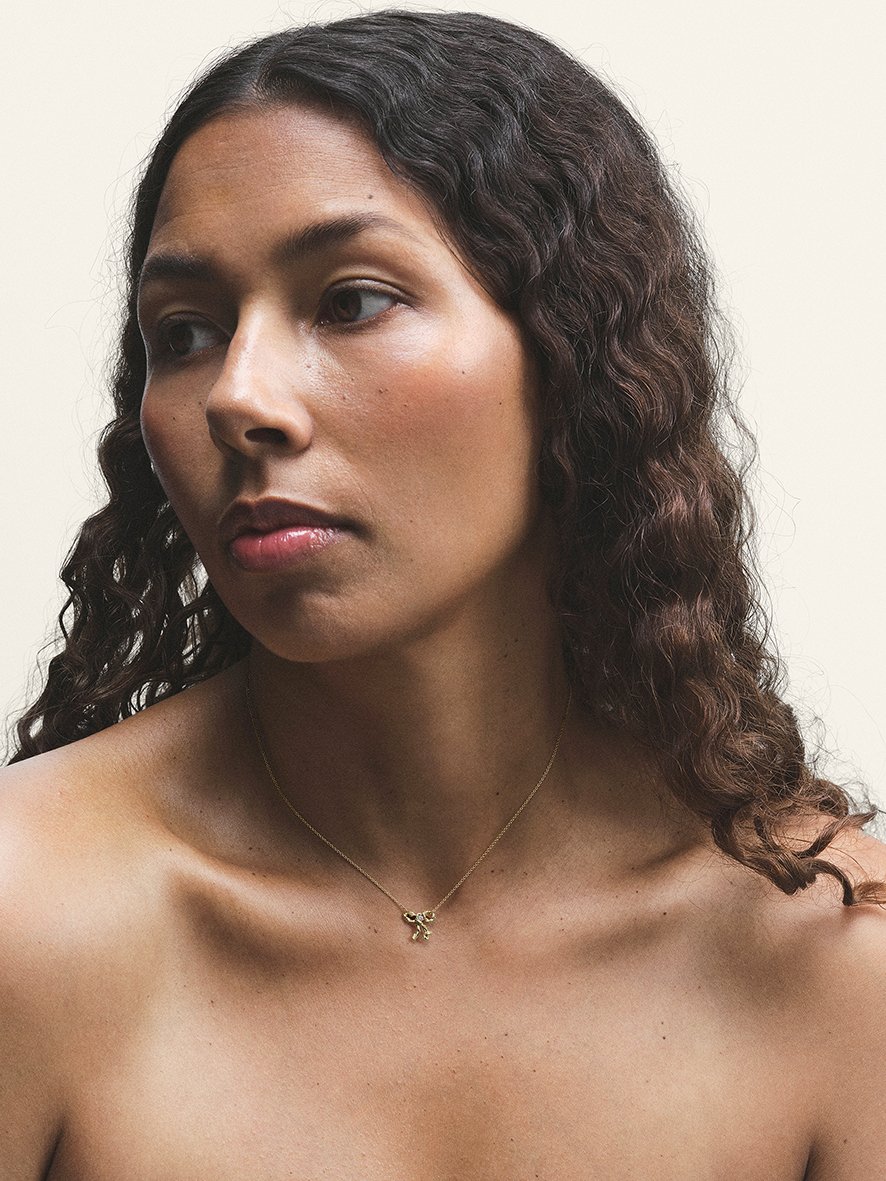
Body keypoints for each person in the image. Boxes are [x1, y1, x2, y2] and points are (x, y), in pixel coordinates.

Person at [2, 8, 884, 1178]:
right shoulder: (30, 912)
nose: (237, 396)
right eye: (188, 330)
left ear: (574, 356)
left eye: (351, 300)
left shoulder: (827, 947)